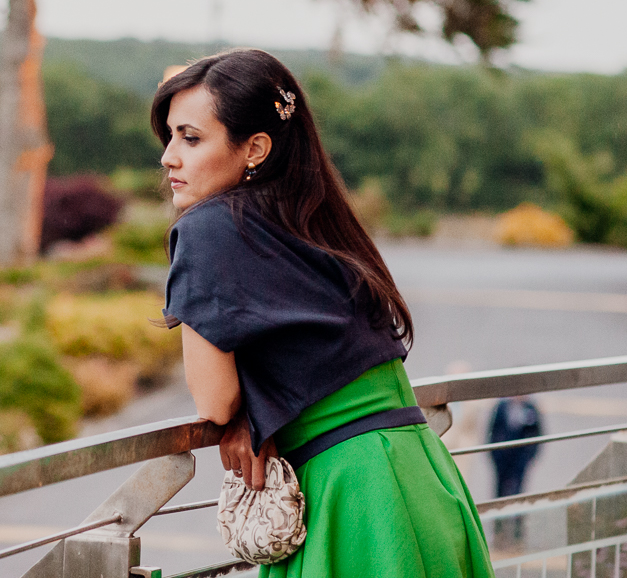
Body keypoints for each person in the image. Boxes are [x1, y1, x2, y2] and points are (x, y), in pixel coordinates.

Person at [157, 49, 493, 577]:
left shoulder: (208, 230)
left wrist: (246, 412)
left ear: (256, 148)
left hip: (353, 495)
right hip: (418, 471)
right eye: (171, 136)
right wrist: (264, 410)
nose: (168, 157)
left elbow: (215, 401)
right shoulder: (311, 214)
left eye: (190, 137)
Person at [487, 396, 543, 498]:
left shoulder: (530, 409)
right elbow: (493, 432)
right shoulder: (501, 407)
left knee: (518, 488)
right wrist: (495, 454)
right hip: (502, 457)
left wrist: (528, 456)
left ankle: (517, 512)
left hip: (520, 458)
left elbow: (537, 435)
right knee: (499, 488)